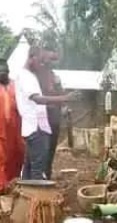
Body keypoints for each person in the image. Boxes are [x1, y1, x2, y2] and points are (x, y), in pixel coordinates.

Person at [14, 47, 75, 180]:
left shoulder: (32, 75)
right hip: (36, 128)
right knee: (38, 170)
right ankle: (38, 198)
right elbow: (37, 99)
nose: (43, 65)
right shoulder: (26, 77)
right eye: (41, 61)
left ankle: (26, 195)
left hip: (38, 126)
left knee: (31, 166)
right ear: (32, 57)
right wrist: (64, 98)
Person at [35, 46, 64, 179]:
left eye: (54, 59)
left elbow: (60, 95)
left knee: (51, 148)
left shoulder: (54, 76)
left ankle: (47, 174)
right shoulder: (36, 74)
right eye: (51, 58)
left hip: (54, 118)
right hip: (41, 117)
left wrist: (63, 104)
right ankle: (38, 176)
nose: (52, 61)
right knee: (42, 150)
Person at [0, 59, 23, 192]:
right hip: (1, 132)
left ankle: (12, 184)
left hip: (16, 132)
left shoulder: (16, 85)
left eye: (5, 71)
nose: (3, 74)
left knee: (17, 158)